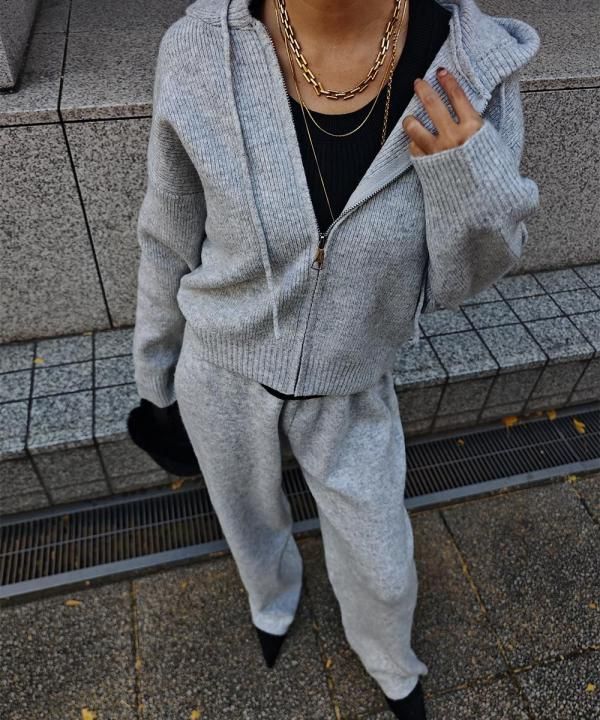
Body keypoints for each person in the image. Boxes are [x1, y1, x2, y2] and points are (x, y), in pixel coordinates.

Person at [131, 0, 540, 716]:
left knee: (381, 562)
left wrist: (467, 176)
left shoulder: (473, 69)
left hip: (352, 384)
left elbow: (461, 283)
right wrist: (154, 378)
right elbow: (167, 234)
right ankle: (272, 604)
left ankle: (391, 662)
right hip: (219, 368)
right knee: (248, 521)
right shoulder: (198, 49)